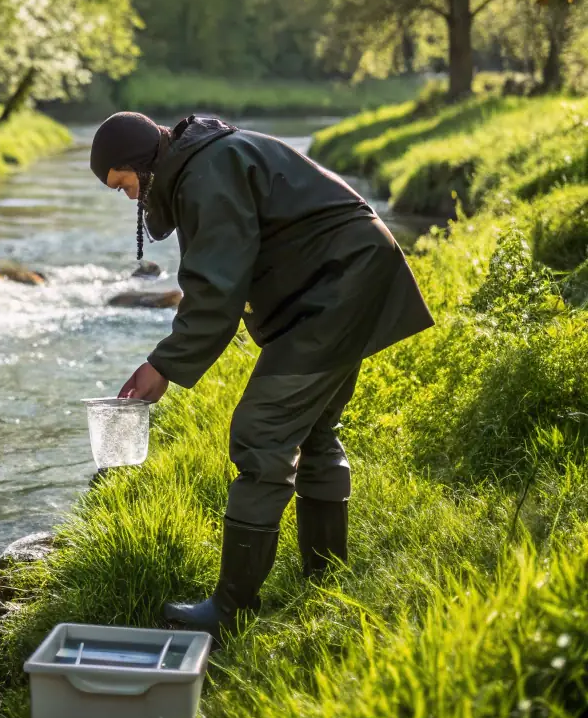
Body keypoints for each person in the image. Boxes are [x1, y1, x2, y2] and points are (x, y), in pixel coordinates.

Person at [89, 110, 434, 637]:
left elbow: (215, 289)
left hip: (339, 284)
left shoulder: (208, 174)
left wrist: (162, 365)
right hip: (346, 275)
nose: (132, 197)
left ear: (140, 163)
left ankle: (230, 610)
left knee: (261, 433)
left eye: (125, 184)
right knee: (315, 429)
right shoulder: (205, 161)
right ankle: (326, 583)